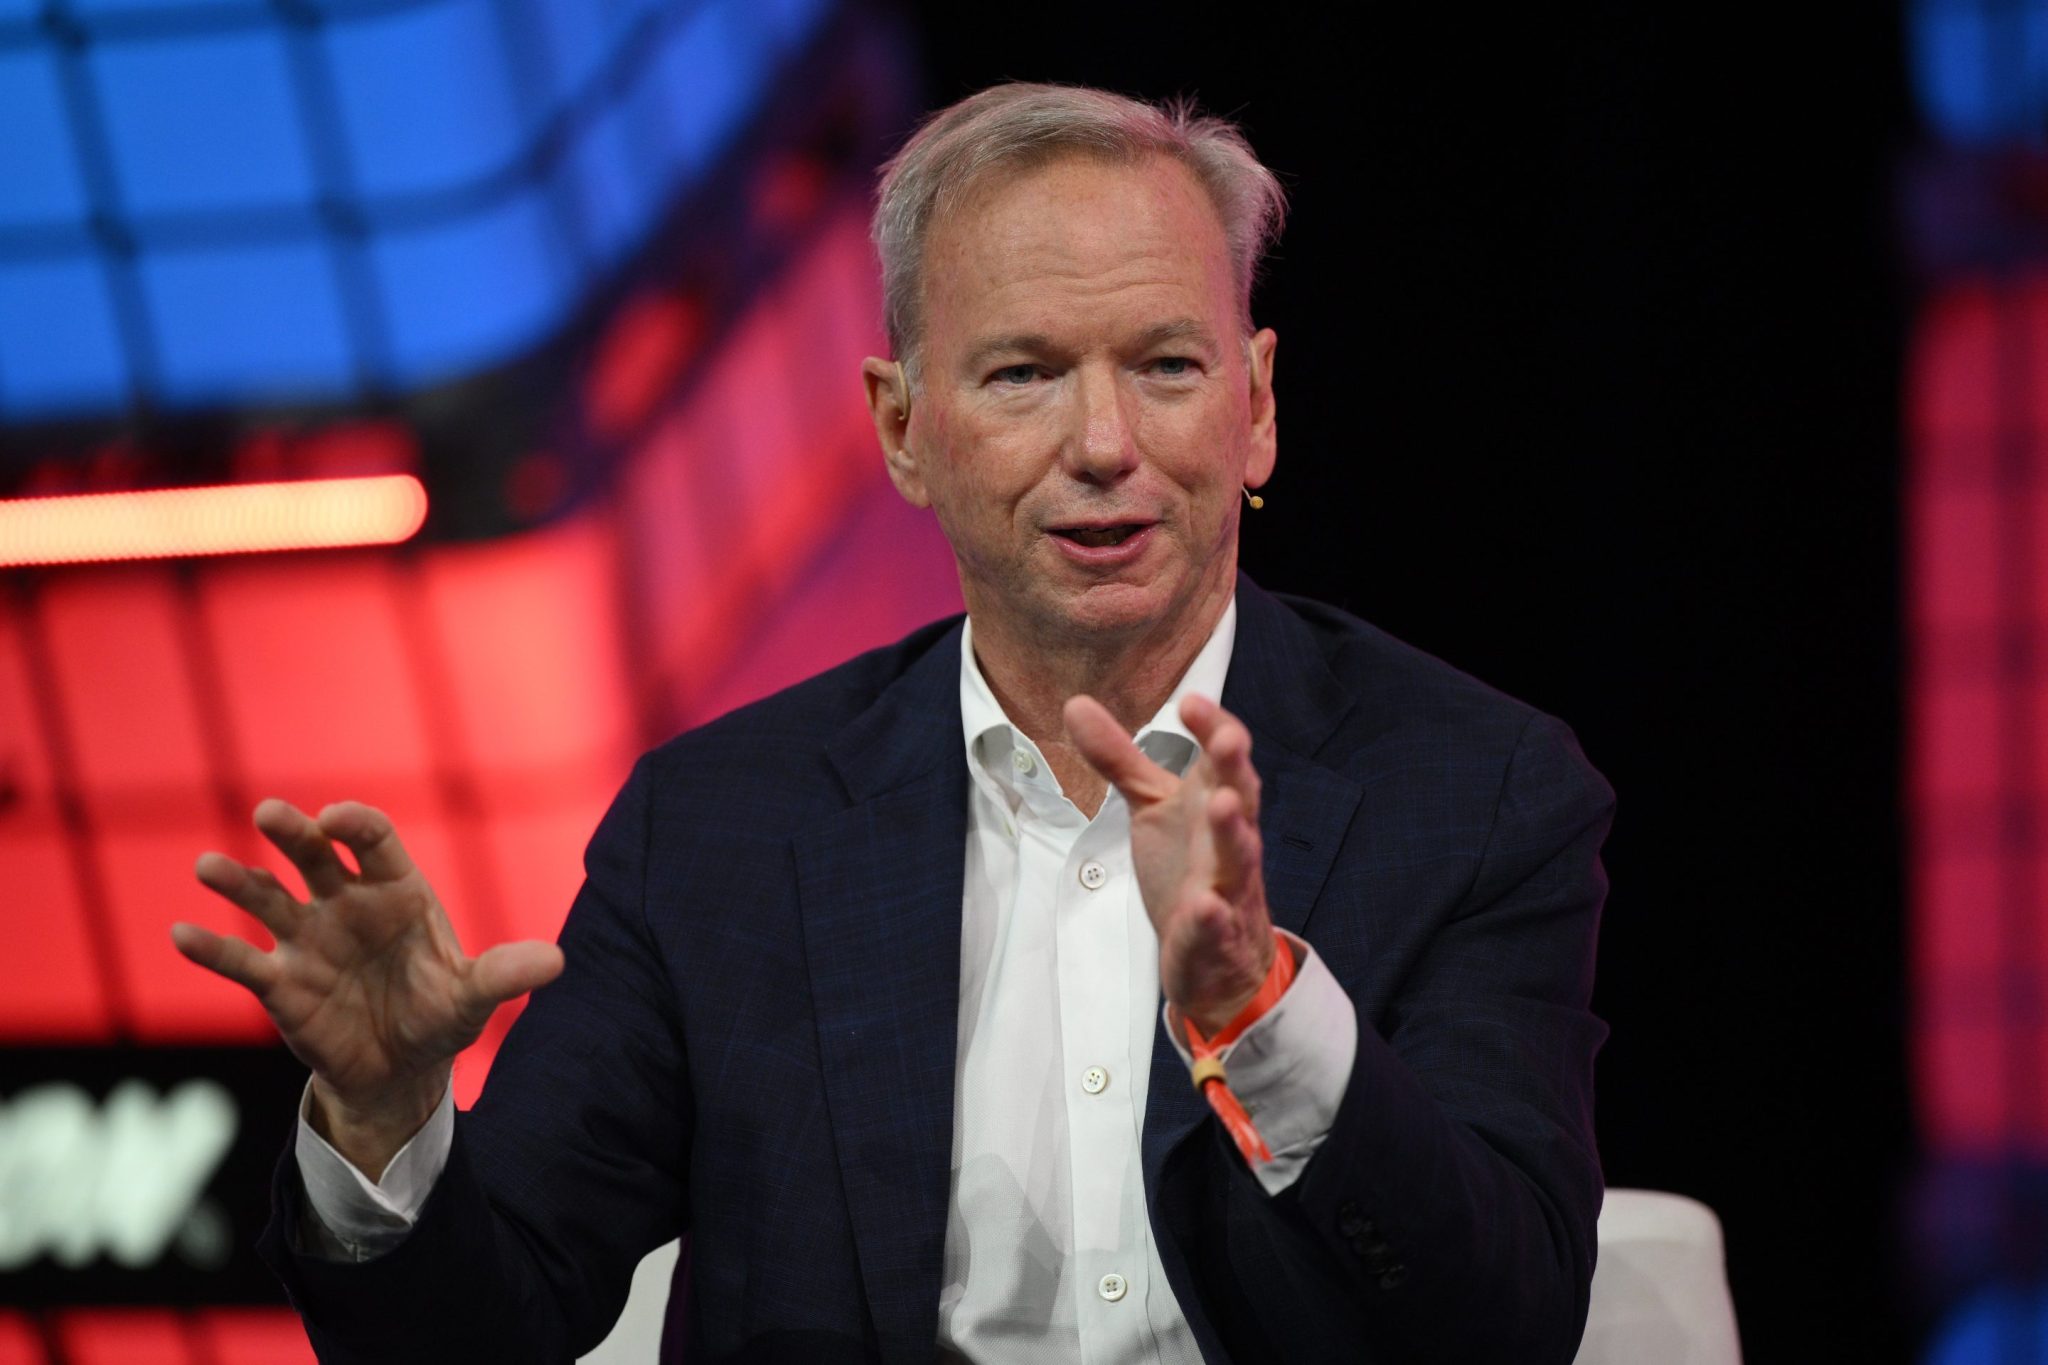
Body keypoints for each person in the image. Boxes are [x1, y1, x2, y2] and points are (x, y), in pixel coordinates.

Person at [172, 82, 1613, 1364]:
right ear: (903, 428)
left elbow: (1504, 1322)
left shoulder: (1475, 790)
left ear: (1259, 406)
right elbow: (486, 1326)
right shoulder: (719, 830)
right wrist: (385, 1119)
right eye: (1024, 373)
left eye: (1167, 366)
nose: (1103, 444)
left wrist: (1262, 1013)